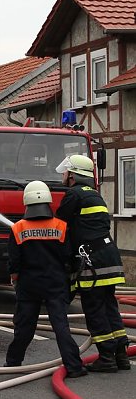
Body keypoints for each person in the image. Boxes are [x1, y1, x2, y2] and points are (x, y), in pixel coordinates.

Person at [55, 154, 129, 372]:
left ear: (73, 175)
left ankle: (106, 358)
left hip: (91, 261)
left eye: (66, 172)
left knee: (95, 309)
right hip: (109, 257)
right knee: (109, 307)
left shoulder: (73, 195)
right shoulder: (95, 195)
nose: (63, 175)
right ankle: (121, 355)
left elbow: (60, 227)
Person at [6, 181, 87, 378]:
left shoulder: (18, 228)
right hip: (55, 282)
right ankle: (74, 367)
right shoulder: (61, 226)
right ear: (49, 201)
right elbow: (69, 257)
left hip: (28, 284)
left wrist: (14, 278)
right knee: (60, 326)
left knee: (24, 326)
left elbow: (14, 262)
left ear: (27, 202)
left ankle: (13, 363)